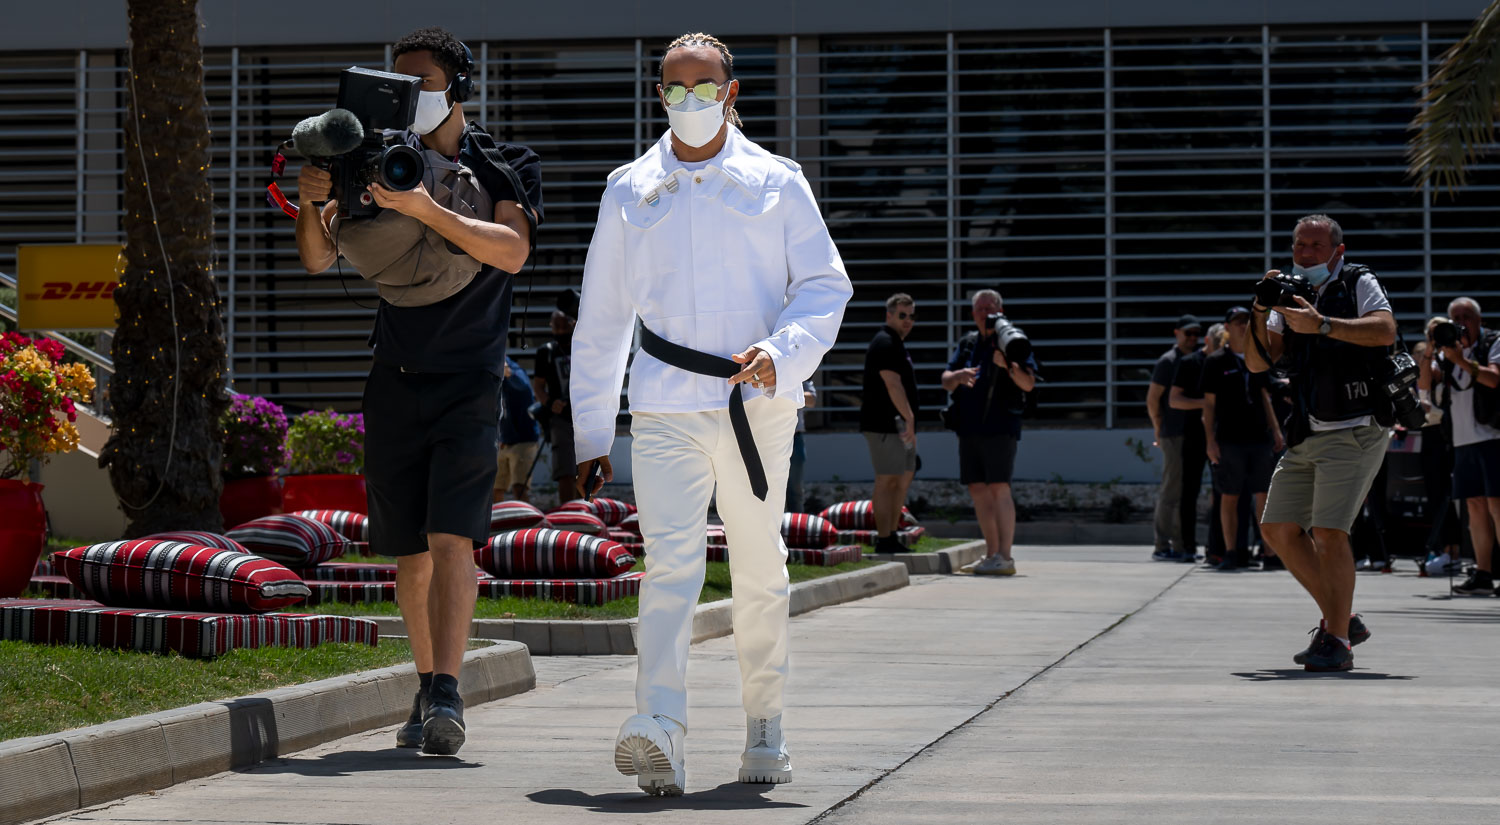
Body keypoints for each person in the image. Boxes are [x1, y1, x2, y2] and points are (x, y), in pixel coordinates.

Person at [568, 32, 852, 796]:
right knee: (669, 570)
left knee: (760, 568)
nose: (688, 99)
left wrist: (783, 352)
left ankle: (766, 723)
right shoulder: (630, 188)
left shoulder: (778, 181)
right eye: (673, 87)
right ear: (659, 94)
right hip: (663, 405)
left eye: (703, 86)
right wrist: (592, 431)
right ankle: (661, 727)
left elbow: (826, 286)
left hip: (755, 406)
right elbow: (602, 319)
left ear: (731, 92)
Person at [294, 26, 542, 753]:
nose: (411, 97)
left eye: (423, 82)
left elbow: (514, 251)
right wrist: (314, 200)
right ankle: (426, 679)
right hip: (394, 376)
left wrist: (424, 208)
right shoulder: (365, 163)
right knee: (409, 552)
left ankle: (448, 691)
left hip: (471, 377)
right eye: (397, 85)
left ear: (457, 86)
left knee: (451, 536)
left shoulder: (504, 163)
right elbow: (316, 258)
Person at [1246, 214, 1394, 672]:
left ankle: (1336, 643)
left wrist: (1323, 325)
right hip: (1308, 428)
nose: (1306, 253)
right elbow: (1257, 363)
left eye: (1315, 245)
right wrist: (1258, 309)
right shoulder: (1288, 294)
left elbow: (1384, 330)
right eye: (1298, 245)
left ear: (1337, 250)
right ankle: (1342, 620)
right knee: (1278, 529)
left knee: (1329, 533)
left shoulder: (1357, 281)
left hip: (1355, 424)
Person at [941, 289, 1037, 576]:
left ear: (1001, 311)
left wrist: (1006, 365)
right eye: (980, 309)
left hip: (1000, 427)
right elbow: (945, 379)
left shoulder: (1013, 341)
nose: (986, 313)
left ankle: (1005, 557)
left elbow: (1029, 383)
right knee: (977, 489)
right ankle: (991, 553)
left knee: (999, 487)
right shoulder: (969, 342)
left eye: (991, 308)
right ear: (973, 314)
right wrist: (958, 377)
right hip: (969, 427)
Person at [1201, 307, 1285, 571]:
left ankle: (1270, 553)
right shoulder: (1216, 361)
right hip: (1229, 439)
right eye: (1237, 322)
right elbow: (1209, 406)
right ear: (1227, 327)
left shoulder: (1256, 357)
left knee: (1264, 495)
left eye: (1246, 322)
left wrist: (1275, 429)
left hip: (1259, 437)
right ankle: (1231, 552)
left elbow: (1264, 395)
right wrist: (1210, 441)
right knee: (1230, 496)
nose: (1242, 326)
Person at [1427, 297, 1500, 596]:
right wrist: (1431, 349)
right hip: (1462, 439)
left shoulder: (1493, 342)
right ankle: (1483, 572)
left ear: (1479, 320)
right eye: (1454, 317)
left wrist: (1459, 360)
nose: (1461, 322)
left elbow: (1494, 379)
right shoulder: (1447, 352)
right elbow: (1425, 384)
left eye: (1466, 316)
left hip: (1493, 436)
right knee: (1475, 506)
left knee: (1497, 505)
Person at [861, 294, 920, 554]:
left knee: (901, 479)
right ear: (889, 316)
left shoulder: (896, 343)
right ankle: (883, 538)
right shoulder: (885, 342)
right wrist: (909, 418)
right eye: (902, 315)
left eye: (911, 316)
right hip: (883, 426)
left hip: (898, 428)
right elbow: (892, 384)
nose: (908, 321)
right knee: (886, 480)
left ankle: (892, 535)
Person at [1148, 314, 1203, 562]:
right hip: (1173, 434)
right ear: (1177, 333)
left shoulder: (1195, 360)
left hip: (1192, 434)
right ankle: (1161, 545)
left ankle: (1181, 545)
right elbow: (1153, 399)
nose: (1192, 338)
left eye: (1196, 334)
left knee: (1185, 492)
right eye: (1187, 333)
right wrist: (1158, 428)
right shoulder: (1168, 361)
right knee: (1171, 490)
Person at [1171, 322, 1226, 563]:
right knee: (1189, 492)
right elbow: (1174, 400)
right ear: (1207, 342)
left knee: (1222, 492)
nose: (1220, 350)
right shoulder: (1189, 363)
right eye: (1217, 346)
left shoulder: (1225, 362)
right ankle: (1187, 546)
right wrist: (1205, 404)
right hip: (1194, 435)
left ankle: (1217, 547)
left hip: (1220, 435)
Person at [1414, 326, 1462, 574]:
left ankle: (1455, 550)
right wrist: (1430, 349)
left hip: (1455, 433)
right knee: (1436, 493)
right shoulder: (1431, 359)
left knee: (1455, 496)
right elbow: (1423, 383)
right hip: (1433, 434)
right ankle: (1445, 549)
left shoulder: (1454, 357)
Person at [533, 305, 578, 503]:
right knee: (566, 471)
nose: (560, 331)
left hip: (585, 415)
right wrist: (551, 403)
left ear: (573, 324)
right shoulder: (547, 352)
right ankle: (568, 515)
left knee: (589, 470)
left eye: (564, 326)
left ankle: (587, 514)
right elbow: (538, 386)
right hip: (561, 419)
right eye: (556, 326)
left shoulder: (584, 347)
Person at [495, 356, 540, 503]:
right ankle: (497, 523)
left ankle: (526, 523)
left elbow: (523, 387)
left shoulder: (516, 372)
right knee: (495, 489)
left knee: (519, 488)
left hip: (523, 440)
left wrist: (507, 371)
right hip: (504, 440)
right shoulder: (494, 375)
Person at [786, 379, 817, 513]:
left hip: (794, 436)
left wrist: (786, 392)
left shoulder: (800, 370)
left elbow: (812, 400)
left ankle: (796, 528)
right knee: (770, 487)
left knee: (795, 489)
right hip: (767, 436)